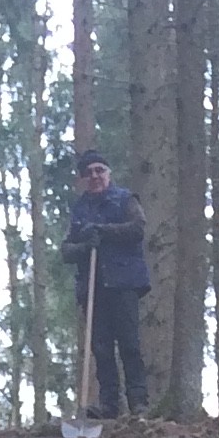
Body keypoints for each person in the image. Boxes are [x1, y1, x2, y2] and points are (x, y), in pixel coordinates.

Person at [63, 150, 151, 419]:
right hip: (94, 288)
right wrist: (83, 246)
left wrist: (103, 232)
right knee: (101, 348)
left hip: (124, 283)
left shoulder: (125, 200)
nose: (95, 176)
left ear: (108, 173)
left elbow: (138, 228)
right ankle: (109, 404)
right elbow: (66, 250)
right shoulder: (80, 209)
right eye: (88, 173)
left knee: (129, 344)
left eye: (99, 170)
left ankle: (138, 402)